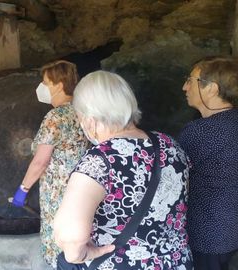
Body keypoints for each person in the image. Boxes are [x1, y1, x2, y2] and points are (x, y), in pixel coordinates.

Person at [53, 70, 192, 269]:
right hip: (175, 262)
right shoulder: (170, 145)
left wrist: (83, 254)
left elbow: (71, 238)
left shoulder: (99, 161)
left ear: (89, 119)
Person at [11, 60, 88, 268]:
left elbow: (40, 161)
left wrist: (22, 190)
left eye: (46, 82)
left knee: (59, 244)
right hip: (83, 188)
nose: (41, 87)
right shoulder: (84, 111)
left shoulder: (56, 117)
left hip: (59, 193)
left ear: (60, 85)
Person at [178, 56, 238, 270]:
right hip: (230, 230)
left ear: (211, 89)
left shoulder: (200, 132)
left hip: (206, 233)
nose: (185, 87)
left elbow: (172, 175)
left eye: (190, 80)